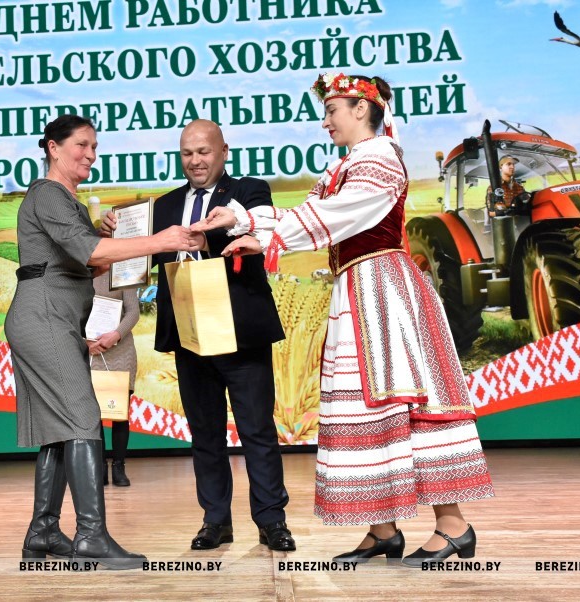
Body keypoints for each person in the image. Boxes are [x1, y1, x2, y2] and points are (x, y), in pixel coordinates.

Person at [193, 74, 494, 567]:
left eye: (332, 110)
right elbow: (317, 210)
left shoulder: (379, 158)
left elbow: (338, 216)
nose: (325, 120)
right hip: (358, 288)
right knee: (366, 405)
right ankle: (384, 530)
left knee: (406, 401)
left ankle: (454, 526)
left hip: (383, 288)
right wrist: (243, 220)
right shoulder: (349, 164)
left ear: (361, 109)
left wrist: (264, 237)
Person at [6, 114, 201, 570]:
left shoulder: (69, 202)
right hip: (44, 316)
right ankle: (91, 537)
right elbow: (92, 254)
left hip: (53, 316)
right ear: (53, 148)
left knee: (59, 428)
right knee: (82, 418)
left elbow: (91, 263)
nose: (91, 155)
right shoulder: (48, 193)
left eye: (95, 147)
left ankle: (43, 531)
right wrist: (159, 240)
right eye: (82, 145)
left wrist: (113, 237)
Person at [101, 120, 295, 552]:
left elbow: (255, 233)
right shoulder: (165, 205)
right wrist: (113, 229)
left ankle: (271, 521)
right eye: (187, 153)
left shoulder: (250, 193)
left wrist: (204, 237)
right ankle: (215, 521)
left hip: (241, 333)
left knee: (257, 431)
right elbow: (136, 255)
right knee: (205, 434)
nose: (195, 161)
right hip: (189, 335)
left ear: (224, 151)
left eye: (204, 151)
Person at [88, 271, 138, 487]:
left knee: (119, 414)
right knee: (94, 414)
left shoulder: (122, 273)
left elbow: (133, 312)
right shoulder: (79, 273)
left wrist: (115, 335)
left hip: (121, 350)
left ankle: (119, 466)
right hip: (90, 350)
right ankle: (99, 466)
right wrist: (86, 342)